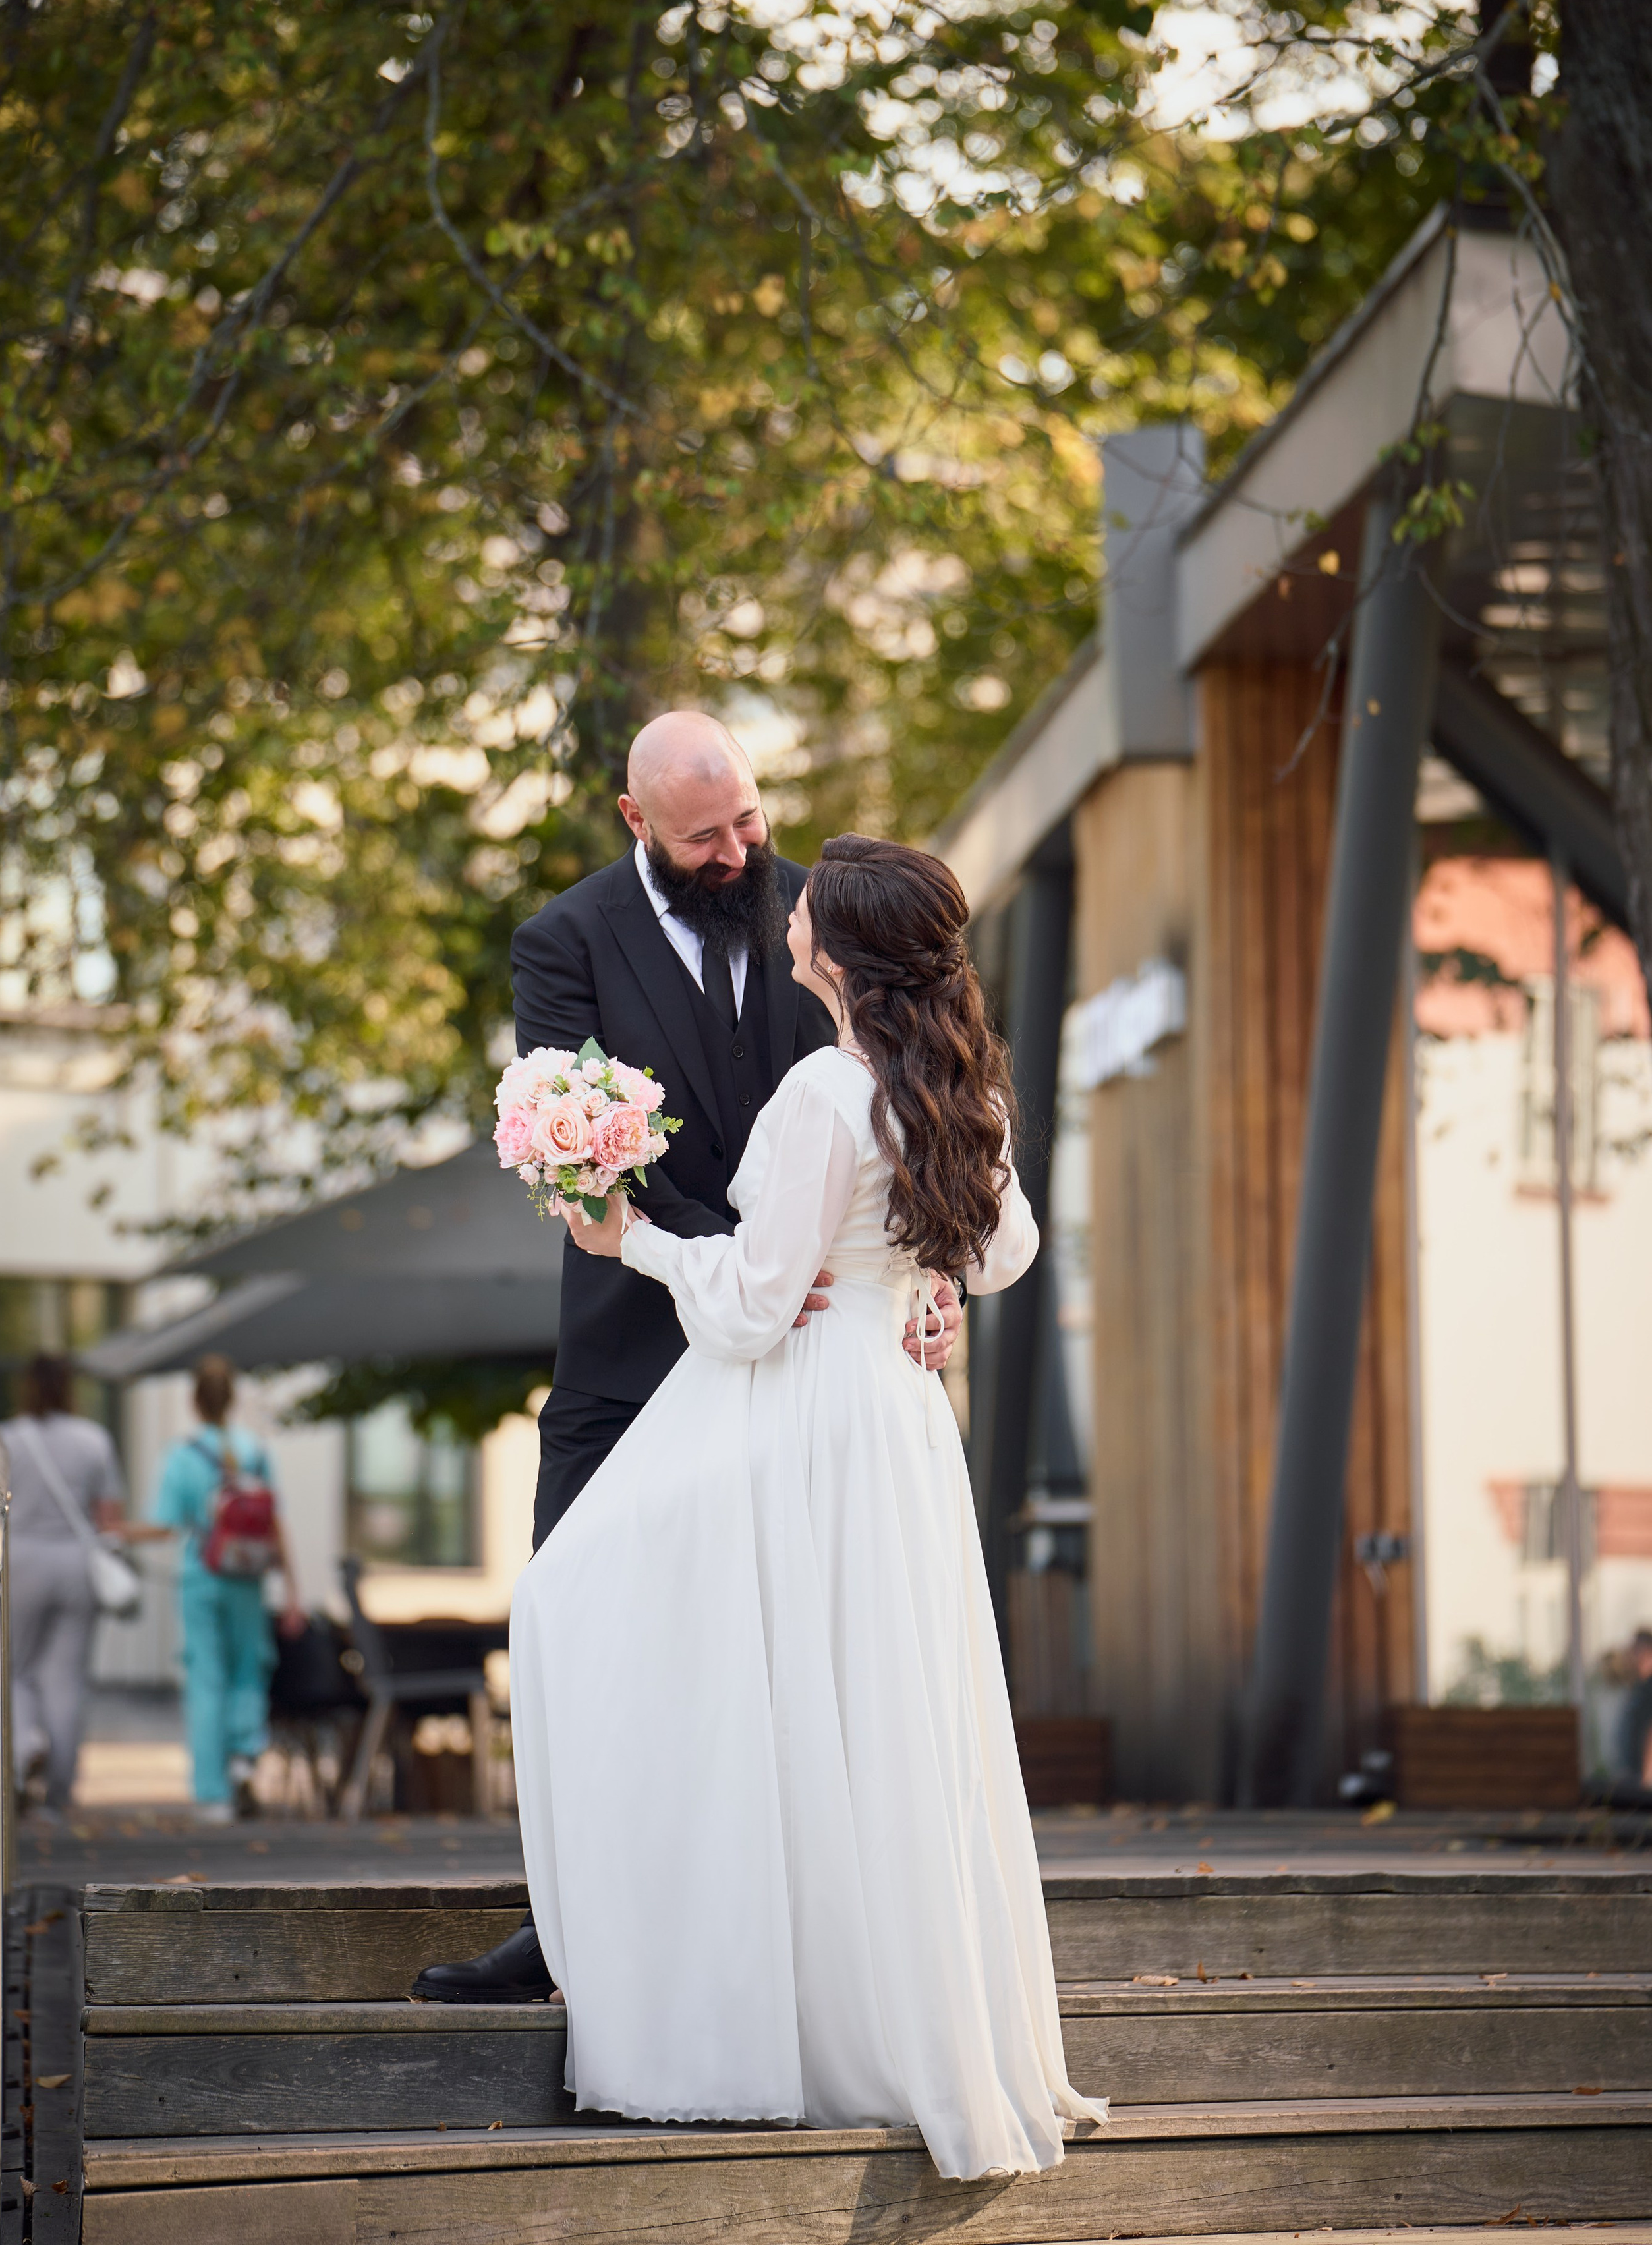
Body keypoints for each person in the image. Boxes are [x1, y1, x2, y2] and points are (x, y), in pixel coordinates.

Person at [511, 834, 1107, 2181]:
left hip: (800, 1414)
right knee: (879, 1705)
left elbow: (749, 1307)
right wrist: (924, 1281)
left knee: (594, 1604)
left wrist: (632, 1238)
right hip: (895, 1424)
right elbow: (1002, 1249)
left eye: (807, 909)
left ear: (831, 950)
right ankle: (885, 2018)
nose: (785, 915)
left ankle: (744, 2002)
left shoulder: (820, 1094)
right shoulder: (954, 1082)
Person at [412, 711, 964, 2005]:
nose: (737, 852)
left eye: (749, 821)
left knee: (778, 1659)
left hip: (798, 1362)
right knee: (574, 1627)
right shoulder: (564, 940)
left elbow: (913, 1126)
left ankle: (775, 1944)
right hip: (626, 1358)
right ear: (635, 824)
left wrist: (924, 1278)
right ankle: (566, 1931)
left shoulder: (828, 928)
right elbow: (567, 1138)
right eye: (704, 834)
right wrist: (749, 1261)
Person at [144, 1354, 305, 1822]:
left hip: (201, 1574)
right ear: (232, 1398)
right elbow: (276, 1521)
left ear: (194, 1400)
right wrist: (293, 1590)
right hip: (249, 1577)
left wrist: (119, 1534)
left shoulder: (182, 1455)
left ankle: (212, 1792)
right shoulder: (254, 1449)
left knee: (205, 1675)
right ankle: (244, 1752)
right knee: (248, 1668)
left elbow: (165, 1526)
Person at [0, 1353, 128, 1822]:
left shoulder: (2, 1441)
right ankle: (58, 1791)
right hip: (76, 1563)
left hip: (22, 1561)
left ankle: (24, 1747)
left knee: (17, 1670)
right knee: (67, 1679)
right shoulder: (93, 1440)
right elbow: (109, 1517)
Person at [1619, 1629, 1652, 1790]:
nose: (1631, 1655)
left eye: (1635, 1649)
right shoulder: (1640, 1686)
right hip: (1635, 1776)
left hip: (1644, 1781)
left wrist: (1647, 1776)